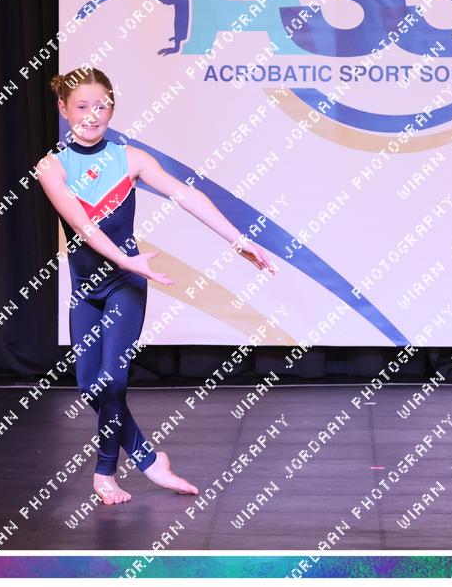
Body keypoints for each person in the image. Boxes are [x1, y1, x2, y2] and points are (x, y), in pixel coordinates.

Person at [35, 67, 276, 505]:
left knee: (112, 379)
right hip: (87, 288)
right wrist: (124, 257)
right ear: (63, 110)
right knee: (90, 386)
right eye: (82, 107)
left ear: (113, 108)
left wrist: (238, 239)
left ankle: (105, 473)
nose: (92, 115)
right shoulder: (51, 167)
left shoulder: (132, 159)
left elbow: (188, 195)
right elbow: (83, 225)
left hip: (126, 283)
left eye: (101, 106)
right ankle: (149, 458)